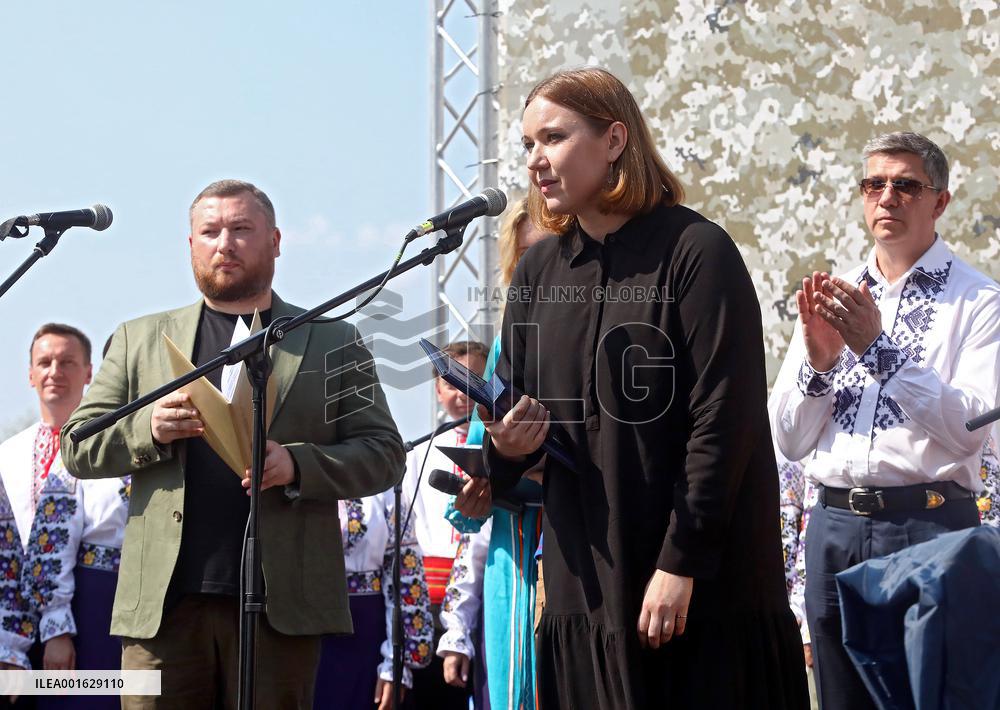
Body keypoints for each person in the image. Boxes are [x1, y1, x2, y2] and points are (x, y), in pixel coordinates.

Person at [475, 67, 807, 709]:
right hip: (583, 582)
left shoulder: (696, 251)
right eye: (527, 145)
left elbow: (724, 420)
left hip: (695, 582)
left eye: (553, 137)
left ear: (615, 139)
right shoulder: (541, 269)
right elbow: (513, 400)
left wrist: (681, 562)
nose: (536, 160)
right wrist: (506, 448)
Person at [60, 179, 405, 709]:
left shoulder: (334, 339)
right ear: (190, 245)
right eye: (210, 231)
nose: (225, 242)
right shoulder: (139, 338)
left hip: (281, 604)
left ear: (276, 240)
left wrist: (297, 464)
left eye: (242, 229)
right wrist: (147, 428)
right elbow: (77, 445)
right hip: (163, 609)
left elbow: (385, 454)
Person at [769, 132, 1000, 710]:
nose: (887, 197)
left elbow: (970, 427)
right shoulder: (835, 295)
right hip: (835, 531)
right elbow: (790, 439)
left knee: (929, 697)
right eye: (874, 184)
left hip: (929, 528)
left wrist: (878, 349)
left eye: (906, 185)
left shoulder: (979, 302)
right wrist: (820, 368)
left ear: (939, 201)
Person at [445, 198, 551, 710]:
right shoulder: (504, 355)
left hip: (584, 550)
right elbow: (472, 455)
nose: (538, 269)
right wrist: (473, 491)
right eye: (526, 257)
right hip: (512, 557)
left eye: (549, 252)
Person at [0, 325, 93, 684]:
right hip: (11, 614)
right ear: (30, 374)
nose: (55, 371)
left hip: (86, 607)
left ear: (88, 372)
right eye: (45, 362)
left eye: (68, 362)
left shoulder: (106, 453)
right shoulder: (7, 454)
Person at [401, 339, 489, 709]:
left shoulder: (503, 452)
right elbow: (405, 527)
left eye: (473, 380)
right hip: (425, 601)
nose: (462, 393)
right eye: (452, 383)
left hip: (484, 597)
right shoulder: (419, 452)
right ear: (437, 390)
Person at [313, 490, 433, 709]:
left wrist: (396, 663)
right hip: (299, 629)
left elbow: (404, 573)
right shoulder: (291, 467)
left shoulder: (381, 480)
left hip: (366, 637)